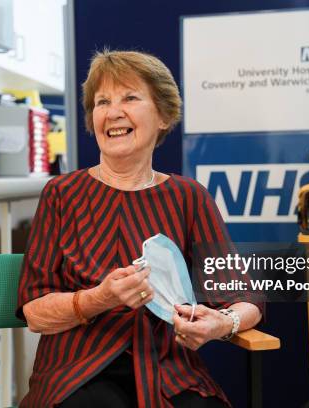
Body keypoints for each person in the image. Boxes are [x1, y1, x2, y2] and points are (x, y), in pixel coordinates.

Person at [16, 49, 263, 408]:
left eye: (130, 98)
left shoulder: (188, 197)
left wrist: (222, 323)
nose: (113, 112)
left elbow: (245, 297)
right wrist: (99, 298)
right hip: (77, 371)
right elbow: (34, 312)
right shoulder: (61, 194)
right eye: (102, 102)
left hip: (169, 368)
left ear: (163, 115)